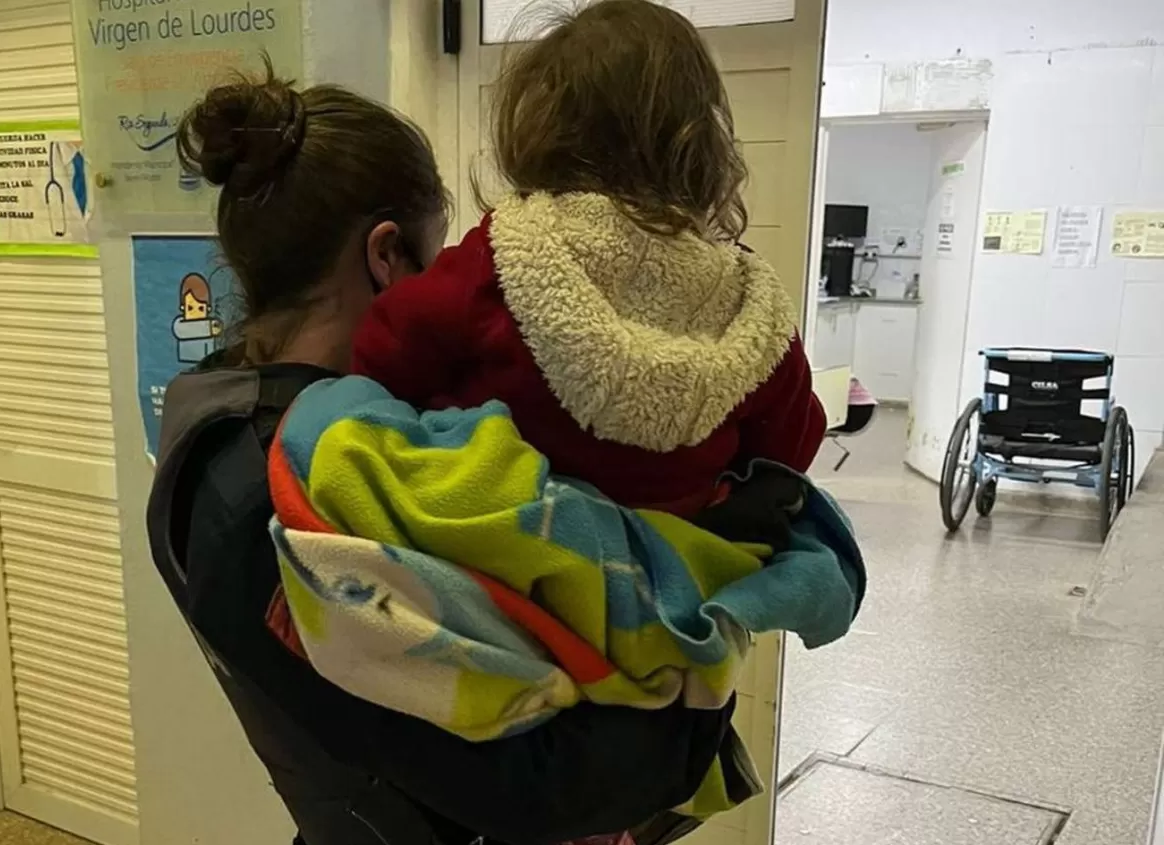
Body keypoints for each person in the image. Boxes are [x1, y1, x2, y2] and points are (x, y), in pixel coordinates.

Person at [145, 63, 735, 845]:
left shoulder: (215, 414)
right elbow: (537, 784)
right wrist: (703, 673)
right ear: (387, 255)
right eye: (440, 263)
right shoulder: (282, 491)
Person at [352, 0, 826, 519]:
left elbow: (379, 353)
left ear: (536, 130)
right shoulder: (746, 302)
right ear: (704, 144)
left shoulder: (506, 255)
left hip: (510, 541)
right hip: (678, 551)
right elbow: (793, 445)